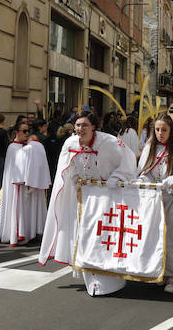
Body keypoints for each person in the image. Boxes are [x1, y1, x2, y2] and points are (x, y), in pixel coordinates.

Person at [38, 111, 136, 296]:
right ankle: (90, 276)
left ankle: (108, 279)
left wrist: (116, 177)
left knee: (102, 236)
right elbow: (65, 169)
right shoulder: (70, 143)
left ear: (93, 127)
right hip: (81, 197)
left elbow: (128, 159)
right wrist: (73, 181)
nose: (80, 129)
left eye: (84, 125)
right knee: (83, 236)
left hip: (105, 197)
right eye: (77, 125)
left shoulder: (109, 142)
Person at [137, 113, 173, 293]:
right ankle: (160, 272)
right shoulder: (149, 147)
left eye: (164, 130)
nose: (160, 133)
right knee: (156, 237)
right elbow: (143, 171)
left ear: (170, 131)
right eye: (157, 130)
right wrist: (145, 180)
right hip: (155, 200)